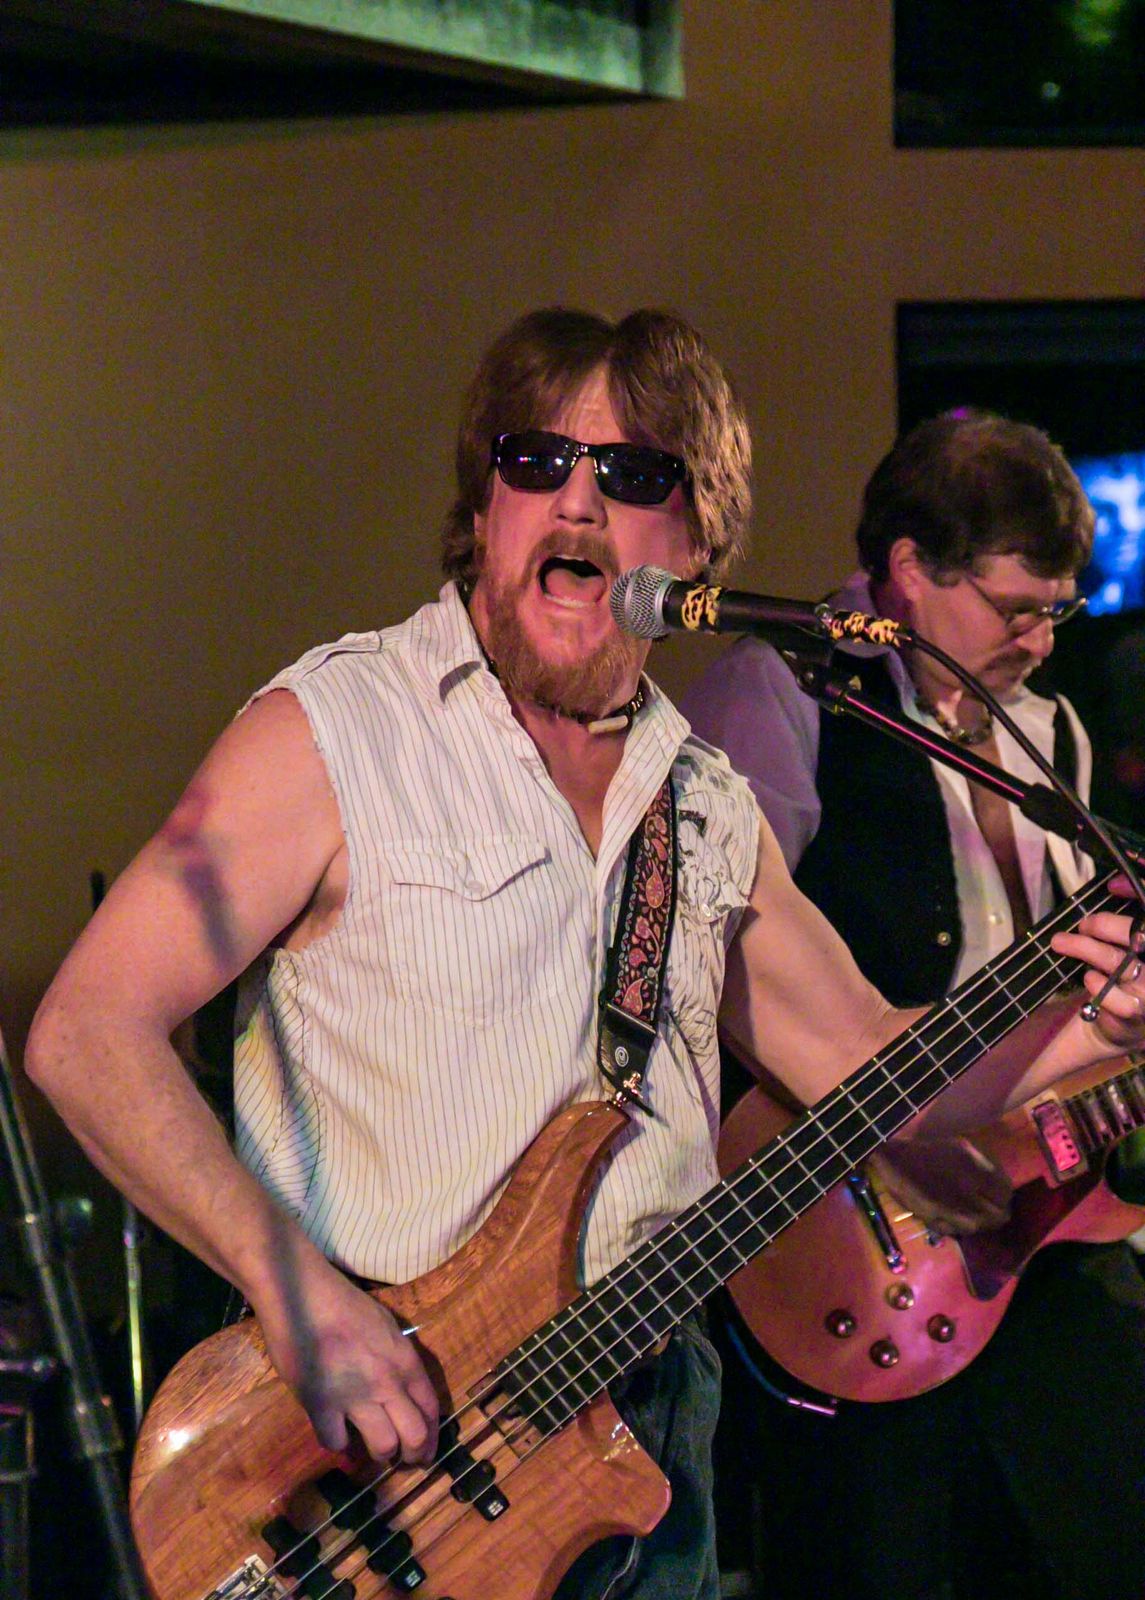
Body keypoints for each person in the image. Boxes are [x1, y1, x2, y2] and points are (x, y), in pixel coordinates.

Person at [24, 333, 1144, 1600]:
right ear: (483, 510)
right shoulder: (338, 733)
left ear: (695, 545)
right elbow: (88, 1032)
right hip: (376, 1457)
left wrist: (1098, 1030)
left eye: (631, 474)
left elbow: (869, 1066)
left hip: (647, 1445)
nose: (574, 500)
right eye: (535, 461)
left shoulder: (703, 806)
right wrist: (296, 1295)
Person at [682, 407, 1145, 1600]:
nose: (1038, 641)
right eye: (1013, 608)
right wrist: (891, 1140)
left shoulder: (1047, 733)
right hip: (847, 1225)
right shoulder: (781, 691)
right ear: (906, 569)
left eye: (1057, 612)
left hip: (1026, 1219)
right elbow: (714, 966)